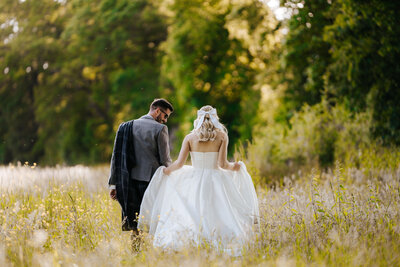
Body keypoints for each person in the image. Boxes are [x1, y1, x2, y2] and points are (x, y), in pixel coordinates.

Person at [138, 105, 259, 255]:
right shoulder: (222, 136)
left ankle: (194, 241)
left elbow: (179, 164)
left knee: (194, 211)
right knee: (217, 211)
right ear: (215, 118)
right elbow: (223, 164)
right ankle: (215, 239)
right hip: (216, 179)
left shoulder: (190, 137)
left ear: (198, 118)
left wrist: (165, 171)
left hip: (194, 178)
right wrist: (237, 166)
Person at [108, 98, 174, 235]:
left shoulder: (125, 126)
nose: (165, 120)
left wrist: (113, 184)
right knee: (154, 218)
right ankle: (153, 252)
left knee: (134, 221)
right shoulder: (161, 129)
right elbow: (165, 160)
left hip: (128, 180)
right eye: (165, 115)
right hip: (151, 181)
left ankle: (136, 251)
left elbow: (116, 157)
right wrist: (175, 176)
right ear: (157, 111)